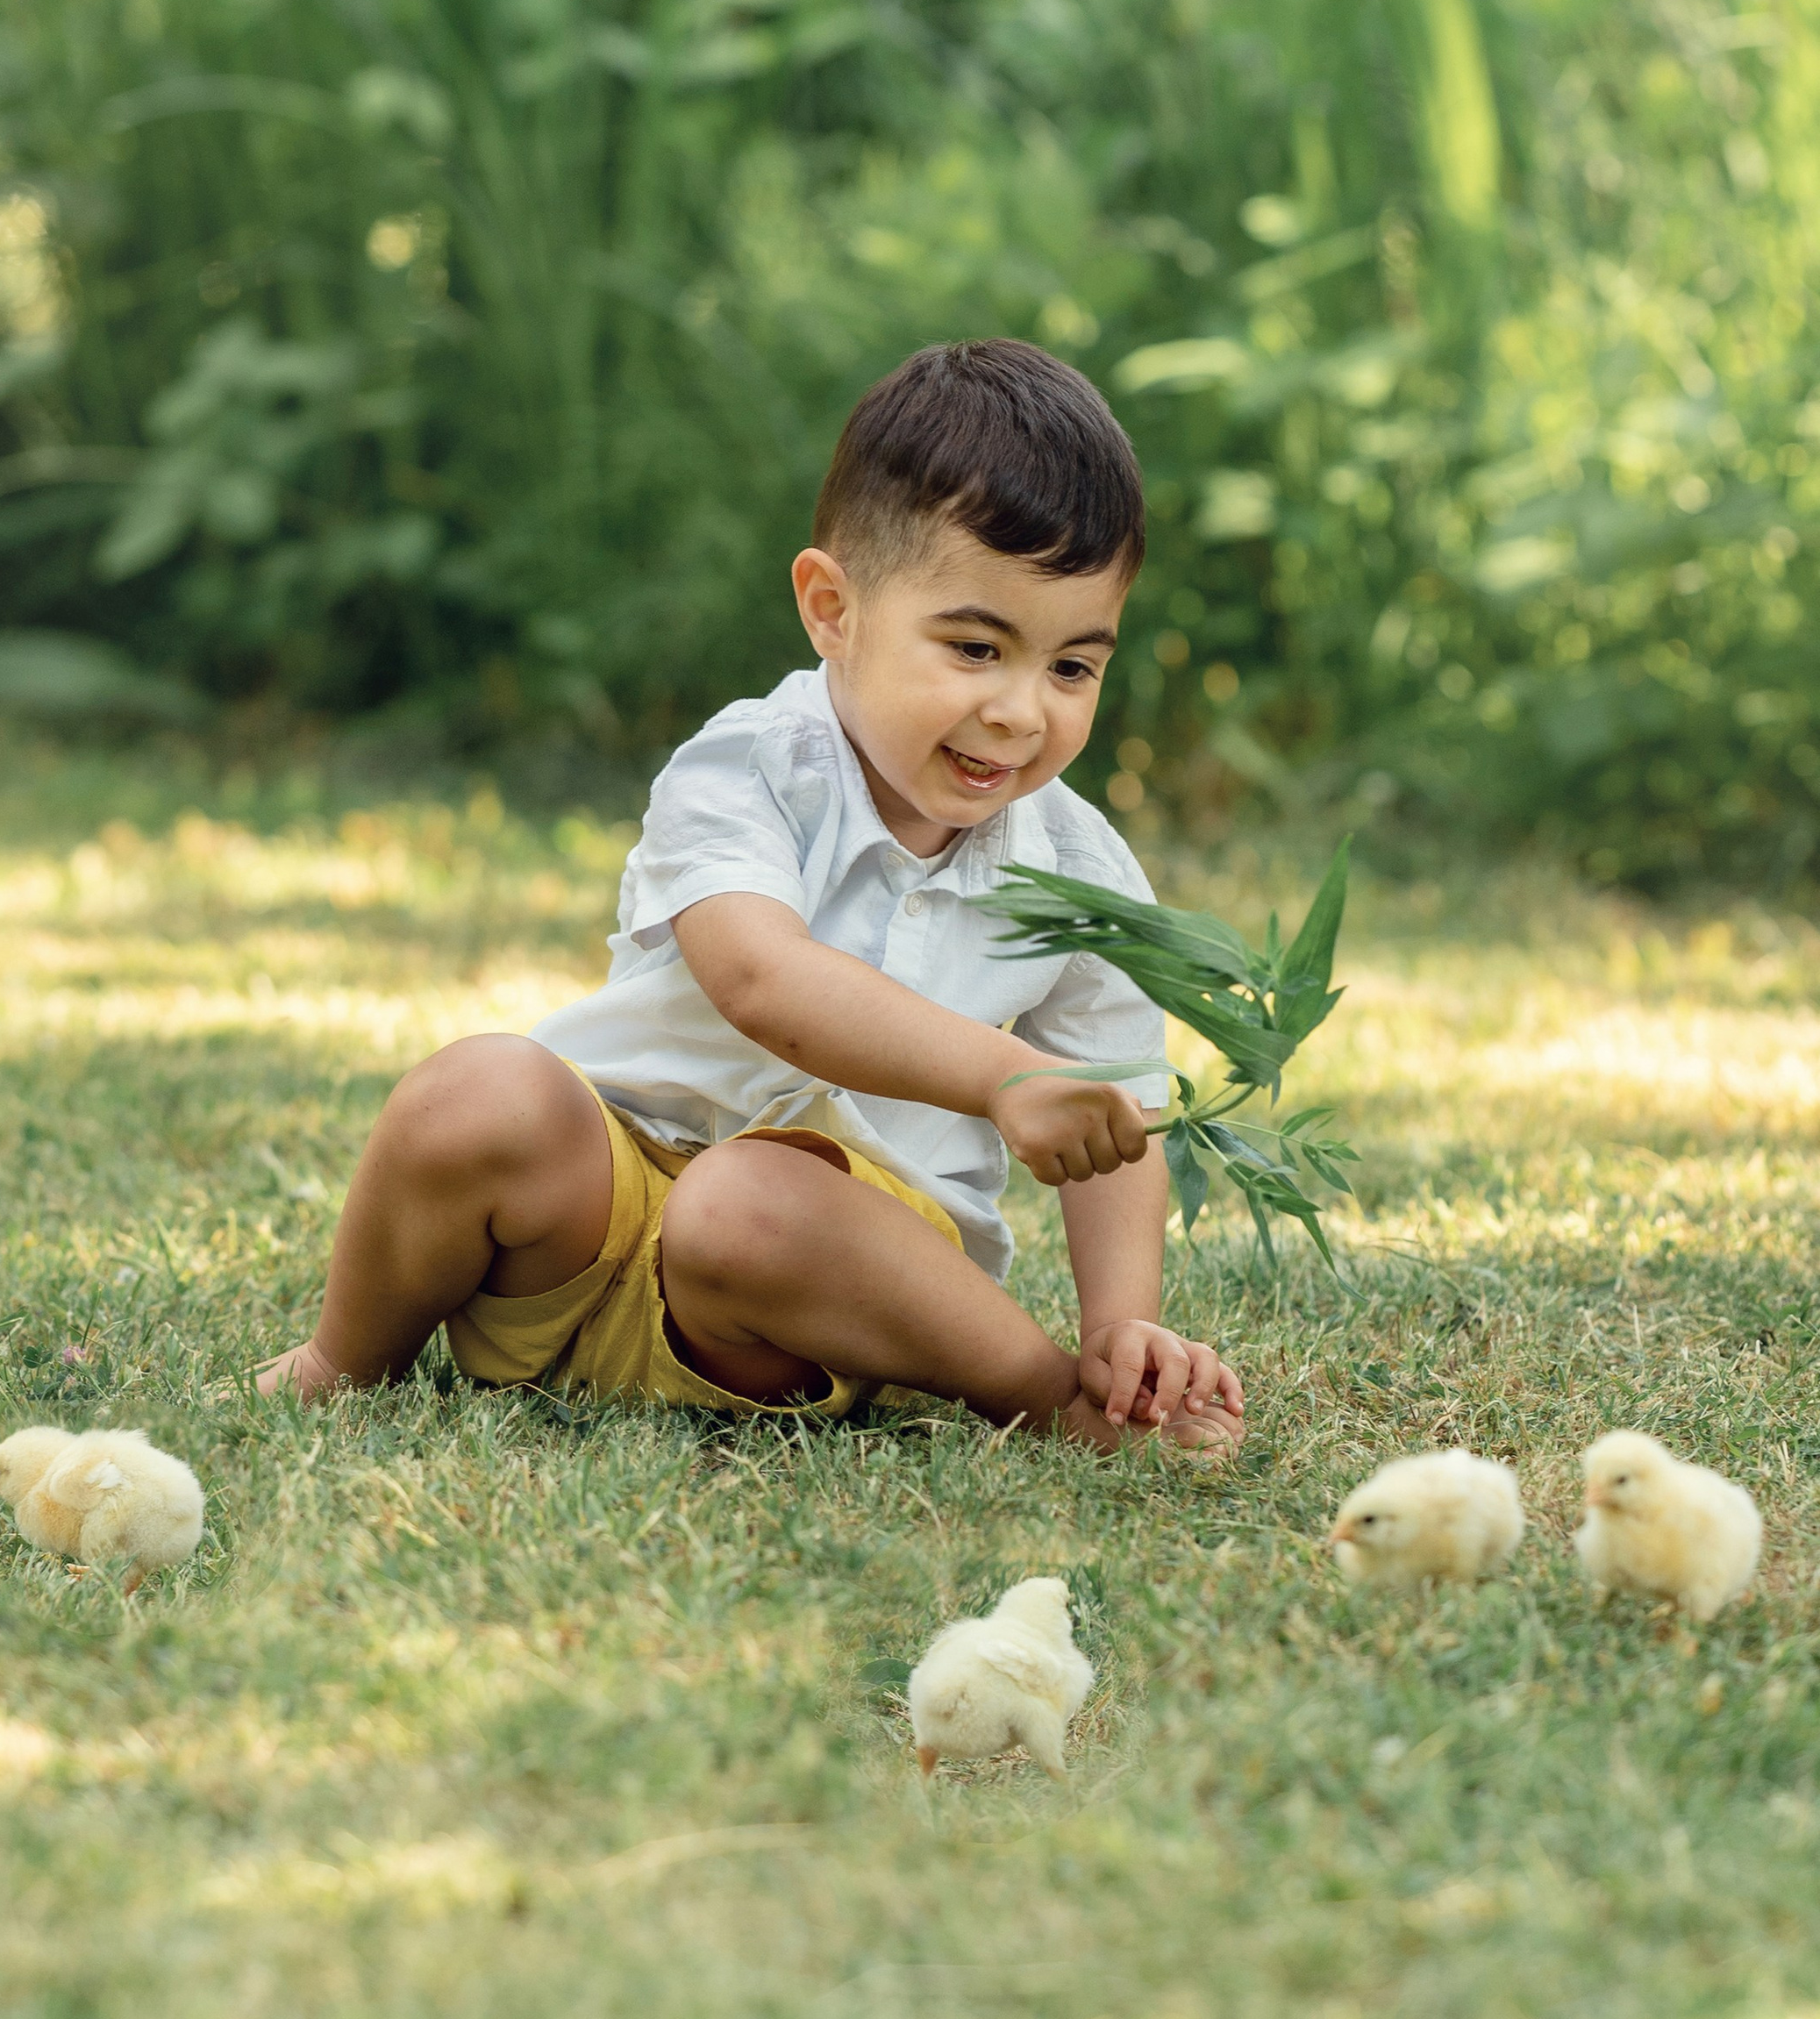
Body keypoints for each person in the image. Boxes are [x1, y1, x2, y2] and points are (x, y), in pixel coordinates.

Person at [259, 339, 1244, 1451]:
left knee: (744, 1201)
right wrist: (1002, 1074)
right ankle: (343, 1361)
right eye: (975, 647)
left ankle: (1064, 1396)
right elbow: (758, 975)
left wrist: (1123, 1322)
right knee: (476, 1088)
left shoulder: (1078, 866)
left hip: (822, 1284)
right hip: (588, 1224)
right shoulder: (748, 765)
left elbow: (1120, 1105)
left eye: (1072, 667)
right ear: (832, 608)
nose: (1023, 710)